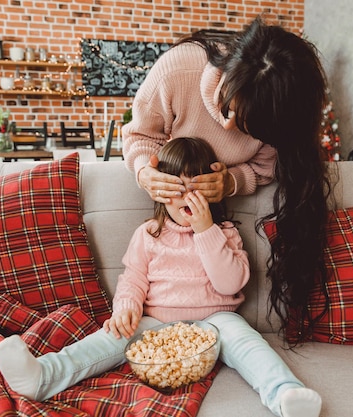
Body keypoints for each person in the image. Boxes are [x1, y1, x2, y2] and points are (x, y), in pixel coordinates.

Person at [0, 137, 322, 417]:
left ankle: (284, 395)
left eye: (196, 188)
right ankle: (42, 376)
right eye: (178, 187)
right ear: (162, 191)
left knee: (250, 344)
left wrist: (205, 229)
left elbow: (230, 284)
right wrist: (125, 309)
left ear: (213, 191)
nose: (187, 198)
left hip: (217, 320)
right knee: (107, 338)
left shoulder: (224, 233)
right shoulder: (149, 234)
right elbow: (133, 279)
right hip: (156, 322)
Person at [122, 16, 332, 346]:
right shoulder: (178, 70)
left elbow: (265, 168)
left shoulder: (279, 120)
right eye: (228, 105)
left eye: (249, 125)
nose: (228, 125)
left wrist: (230, 182)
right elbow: (138, 134)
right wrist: (143, 171)